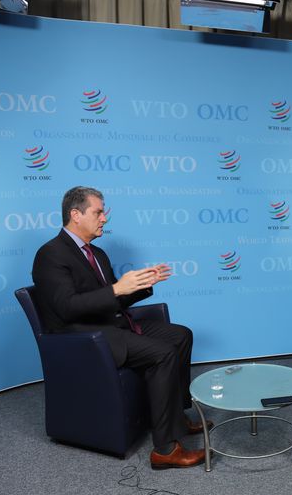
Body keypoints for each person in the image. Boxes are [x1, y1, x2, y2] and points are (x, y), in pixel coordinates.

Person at [32, 186, 207, 470]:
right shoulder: (50, 254)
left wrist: (142, 285)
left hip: (112, 325)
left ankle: (176, 417)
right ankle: (165, 449)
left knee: (181, 335)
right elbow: (67, 307)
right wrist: (116, 289)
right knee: (163, 353)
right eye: (98, 212)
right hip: (87, 339)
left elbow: (114, 299)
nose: (105, 218)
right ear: (75, 215)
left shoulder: (97, 254)